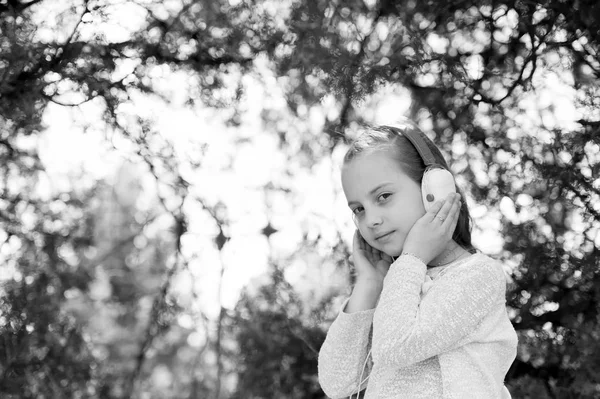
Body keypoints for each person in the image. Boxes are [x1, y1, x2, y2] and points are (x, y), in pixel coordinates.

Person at [318, 121, 518, 399]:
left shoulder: (478, 275)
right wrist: (369, 283)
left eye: (384, 196)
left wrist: (412, 258)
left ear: (433, 189)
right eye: (359, 209)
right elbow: (337, 382)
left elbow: (396, 347)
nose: (371, 220)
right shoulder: (398, 285)